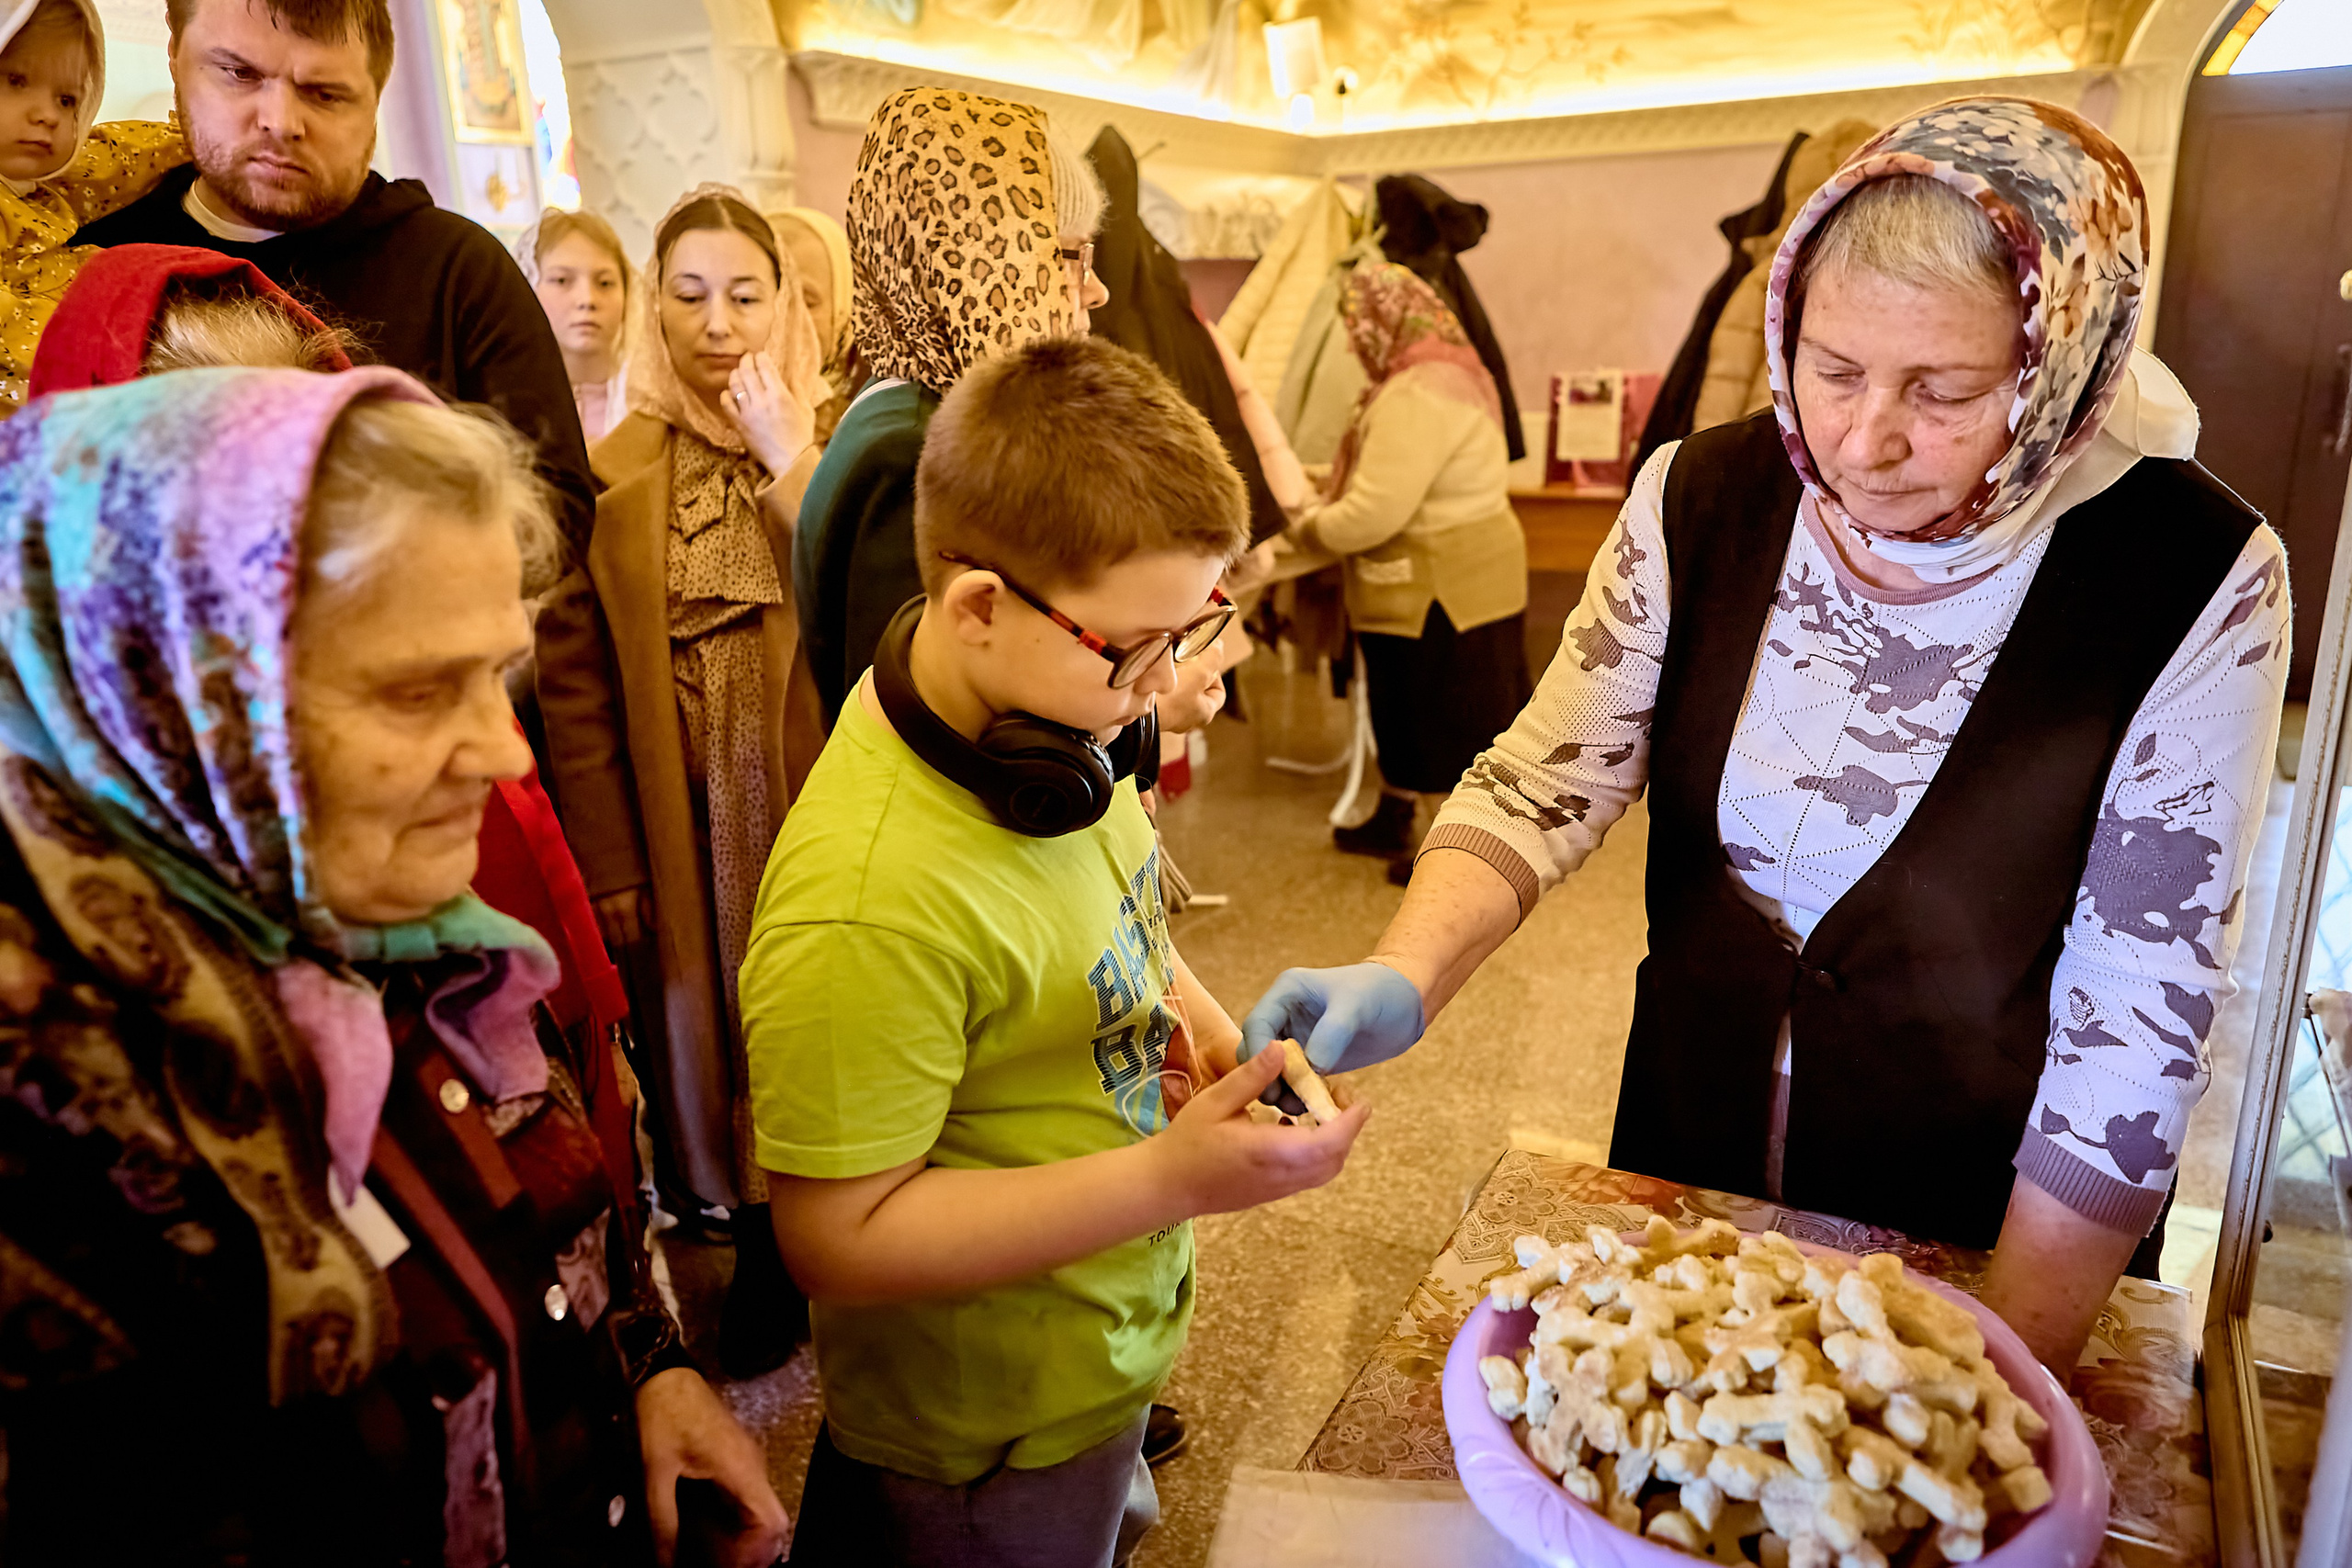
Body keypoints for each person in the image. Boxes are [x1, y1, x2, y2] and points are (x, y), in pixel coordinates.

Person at [1241, 98, 2291, 1376]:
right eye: (1834, 367)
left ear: (2063, 363)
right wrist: (1406, 968)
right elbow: (1546, 777)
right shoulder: (1703, 492)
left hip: (1990, 1208)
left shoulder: (2192, 573)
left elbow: (2139, 1010)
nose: (1862, 440)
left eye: (1945, 390)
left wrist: (1994, 1375)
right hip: (1696, 1132)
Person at [0, 367, 786, 1566]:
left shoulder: (420, 942)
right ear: (168, 688)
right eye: (418, 691)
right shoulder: (47, 1125)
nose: (503, 746)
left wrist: (650, 1370)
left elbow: (554, 1234)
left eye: (497, 671)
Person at [744, 334, 1367, 1568]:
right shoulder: (867, 897)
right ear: (978, 605)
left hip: (1094, 1341)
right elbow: (836, 1237)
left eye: (1189, 631)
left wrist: (1212, 1026)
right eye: (1134, 650)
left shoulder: (1052, 731)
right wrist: (1172, 1180)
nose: (1165, 685)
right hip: (988, 1429)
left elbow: (1126, 918)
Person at [535, 185, 827, 1375]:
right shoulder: (614, 471)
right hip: (685, 819)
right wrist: (606, 861)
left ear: (787, 304)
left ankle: (846, 1233)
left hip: (816, 803)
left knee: (829, 1011)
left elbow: (889, 613)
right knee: (713, 1031)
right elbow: (578, 686)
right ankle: (761, 1239)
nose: (718, 323)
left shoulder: (838, 439)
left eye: (745, 294)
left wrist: (790, 459)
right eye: (690, 294)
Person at [72, 0, 595, 557]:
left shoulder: (457, 269)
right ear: (175, 57)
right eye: (238, 74)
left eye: (324, 93)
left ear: (376, 95)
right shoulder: (94, 262)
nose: (280, 122)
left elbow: (555, 512)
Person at [793, 85, 1108, 727]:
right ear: (986, 258)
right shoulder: (915, 448)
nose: (1095, 292)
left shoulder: (917, 409)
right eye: (1072, 258)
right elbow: (915, 725)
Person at [1282, 262, 1532, 875]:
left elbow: (1374, 513)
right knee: (1450, 711)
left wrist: (1304, 524)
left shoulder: (1415, 393)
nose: (1350, 338)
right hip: (1474, 578)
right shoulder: (1455, 374)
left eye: (1354, 324)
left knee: (1435, 717)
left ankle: (1448, 853)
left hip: (1434, 589)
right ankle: (1395, 814)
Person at [0, 0, 189, 412]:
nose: (47, 114)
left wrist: (188, 141)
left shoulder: (45, 186)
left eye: (67, 100)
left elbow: (114, 159)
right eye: (17, 80)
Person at [514, 207, 633, 443]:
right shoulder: (510, 402)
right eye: (561, 280)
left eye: (605, 283)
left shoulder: (647, 401)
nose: (587, 300)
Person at [763, 204, 856, 445]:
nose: (783, 316)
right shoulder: (709, 410)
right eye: (764, 297)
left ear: (843, 310)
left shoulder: (862, 425)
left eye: (807, 301)